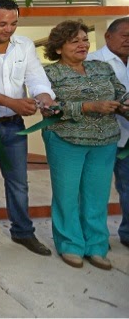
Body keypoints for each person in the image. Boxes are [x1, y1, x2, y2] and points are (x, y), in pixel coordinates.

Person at [0, 0, 55, 257]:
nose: (8, 29)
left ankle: (23, 232)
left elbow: (36, 77)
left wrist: (45, 99)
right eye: (2, 24)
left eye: (13, 23)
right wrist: (12, 102)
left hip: (14, 126)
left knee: (18, 182)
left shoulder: (24, 45)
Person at [41, 20, 124, 270]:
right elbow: (49, 109)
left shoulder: (102, 68)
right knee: (67, 196)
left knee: (97, 196)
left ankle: (97, 246)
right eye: (74, 41)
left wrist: (126, 103)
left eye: (85, 40)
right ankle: (70, 244)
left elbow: (120, 92)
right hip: (66, 141)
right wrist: (89, 107)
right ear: (58, 48)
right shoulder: (49, 73)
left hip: (105, 141)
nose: (82, 44)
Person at [88, 17, 129, 250]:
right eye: (124, 35)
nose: (128, 41)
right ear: (108, 36)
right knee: (95, 191)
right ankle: (95, 237)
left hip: (127, 138)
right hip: (99, 137)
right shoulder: (92, 61)